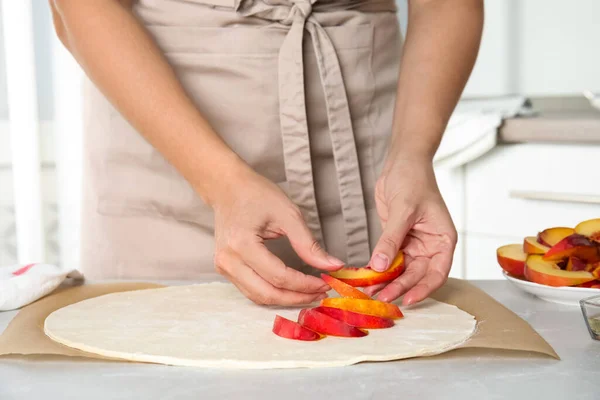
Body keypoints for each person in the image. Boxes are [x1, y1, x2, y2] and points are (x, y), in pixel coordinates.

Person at [50, 0, 483, 307]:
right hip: (167, 142)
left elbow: (445, 5)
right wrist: (220, 182)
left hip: (366, 146)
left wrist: (412, 156)